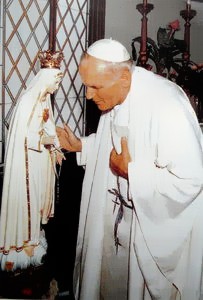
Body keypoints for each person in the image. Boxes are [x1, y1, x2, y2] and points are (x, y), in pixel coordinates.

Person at [56, 38, 203, 300]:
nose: (89, 95)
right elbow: (111, 148)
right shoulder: (114, 97)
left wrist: (132, 173)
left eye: (94, 87)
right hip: (118, 223)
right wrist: (81, 146)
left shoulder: (167, 106)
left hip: (149, 229)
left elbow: (192, 180)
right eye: (86, 86)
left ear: (124, 77)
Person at [0, 50, 65, 272]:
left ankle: (32, 237)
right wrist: (47, 140)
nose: (57, 86)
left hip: (40, 161)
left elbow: (48, 127)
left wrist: (56, 147)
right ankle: (22, 244)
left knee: (37, 201)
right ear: (46, 79)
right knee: (28, 201)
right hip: (27, 163)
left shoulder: (44, 99)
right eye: (56, 80)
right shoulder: (29, 101)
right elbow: (25, 137)